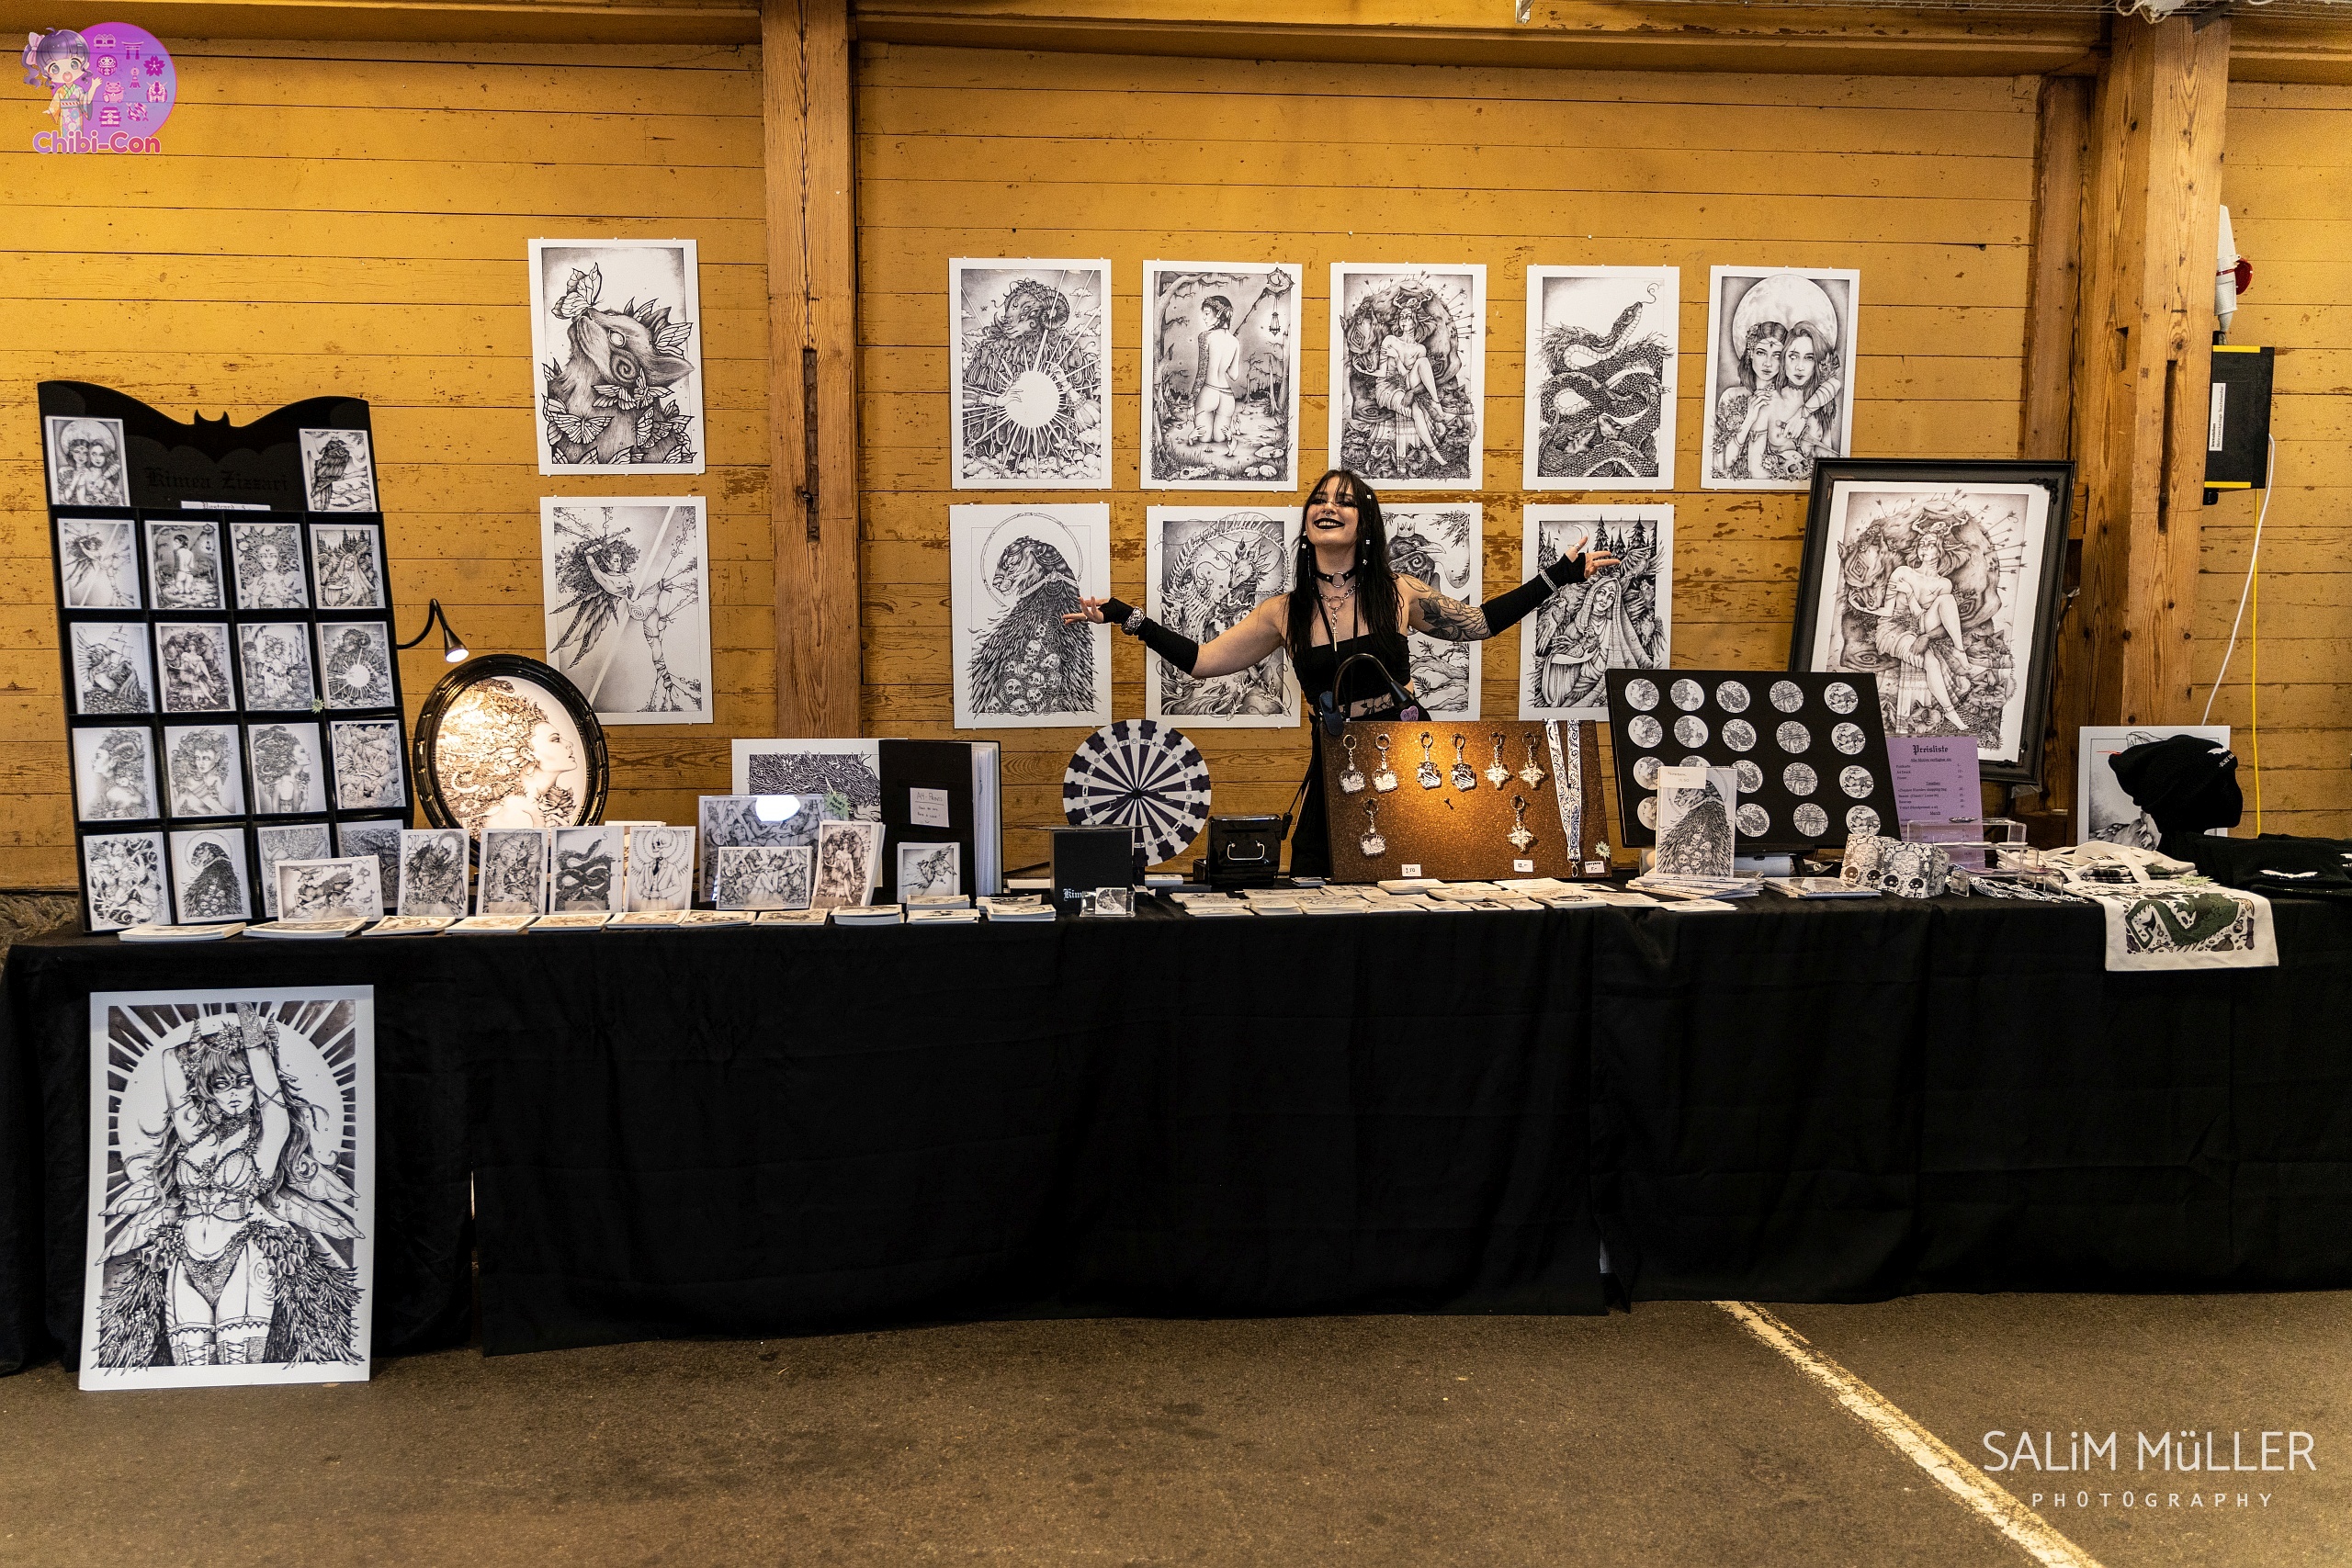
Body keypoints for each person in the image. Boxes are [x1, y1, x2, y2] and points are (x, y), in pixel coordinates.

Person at [1067, 468, 1616, 876]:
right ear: (1307, 523)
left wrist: (1557, 577)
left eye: (1345, 502)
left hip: (1409, 755)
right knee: (1315, 869)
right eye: (1320, 500)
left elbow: (1479, 624)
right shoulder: (1283, 611)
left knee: (1420, 869)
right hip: (1338, 758)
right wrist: (1126, 617)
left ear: (1364, 524)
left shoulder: (1398, 592)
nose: (1329, 507)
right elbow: (1202, 661)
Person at [1190, 294, 1241, 450]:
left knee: (1204, 440)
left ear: (1219, 314)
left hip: (1208, 393)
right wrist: (1225, 361)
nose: (1204, 318)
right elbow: (1234, 375)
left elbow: (1201, 373)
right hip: (1227, 397)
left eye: (1207, 313)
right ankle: (1231, 439)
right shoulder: (1235, 341)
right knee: (1220, 441)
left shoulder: (1205, 336)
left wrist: (1191, 404)